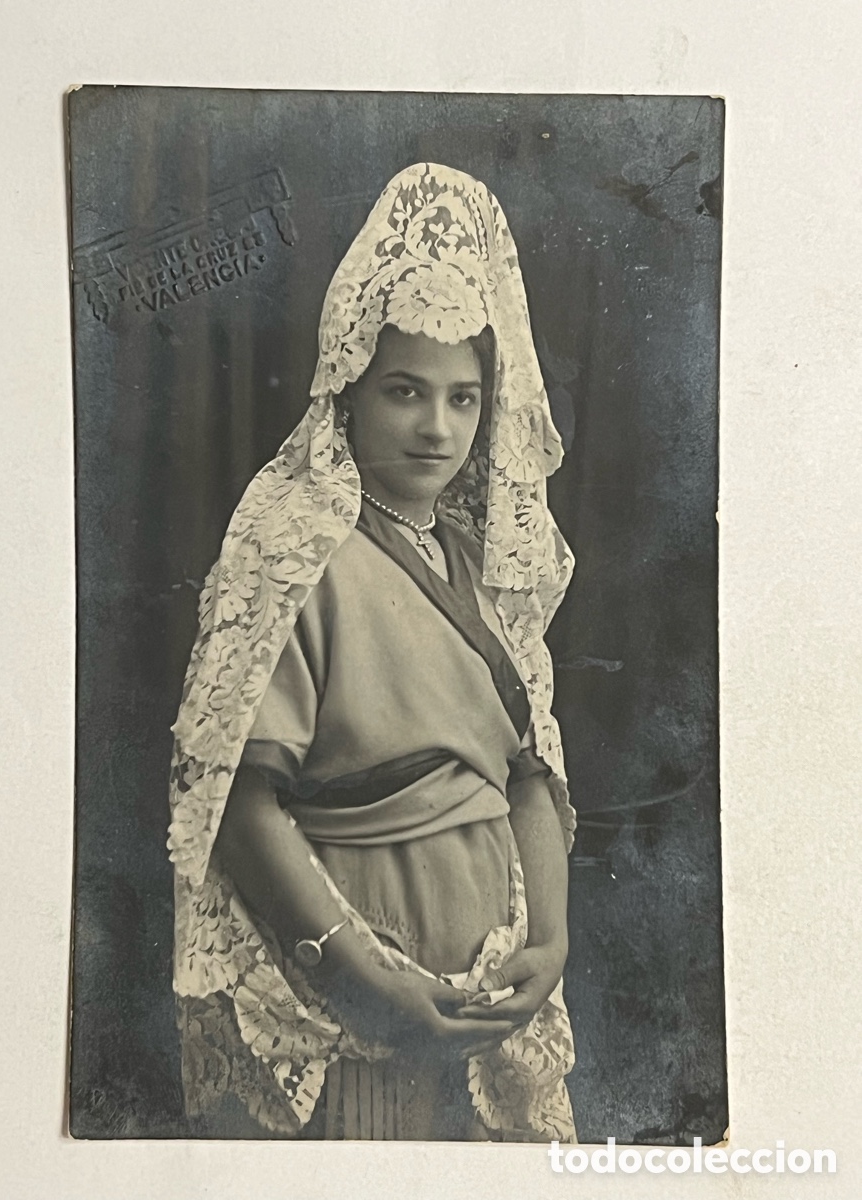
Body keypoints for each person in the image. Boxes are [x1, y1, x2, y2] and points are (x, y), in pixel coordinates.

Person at [167, 162, 578, 1141]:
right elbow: (239, 805)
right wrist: (363, 977)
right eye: (405, 392)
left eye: (463, 398)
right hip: (347, 1013)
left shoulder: (480, 569)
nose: (437, 428)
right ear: (349, 390)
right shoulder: (295, 554)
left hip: (492, 1007)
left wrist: (551, 942)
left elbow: (530, 772)